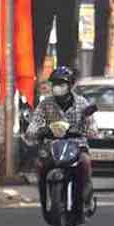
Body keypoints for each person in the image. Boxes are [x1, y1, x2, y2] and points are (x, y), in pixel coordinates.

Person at [24, 66, 95, 210]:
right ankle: (44, 198)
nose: (58, 87)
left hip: (76, 145)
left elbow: (91, 123)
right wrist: (33, 132)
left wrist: (91, 130)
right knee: (40, 165)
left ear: (70, 85)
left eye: (61, 84)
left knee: (85, 162)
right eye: (55, 84)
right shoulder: (45, 104)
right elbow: (35, 123)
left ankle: (87, 197)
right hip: (52, 146)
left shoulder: (81, 103)